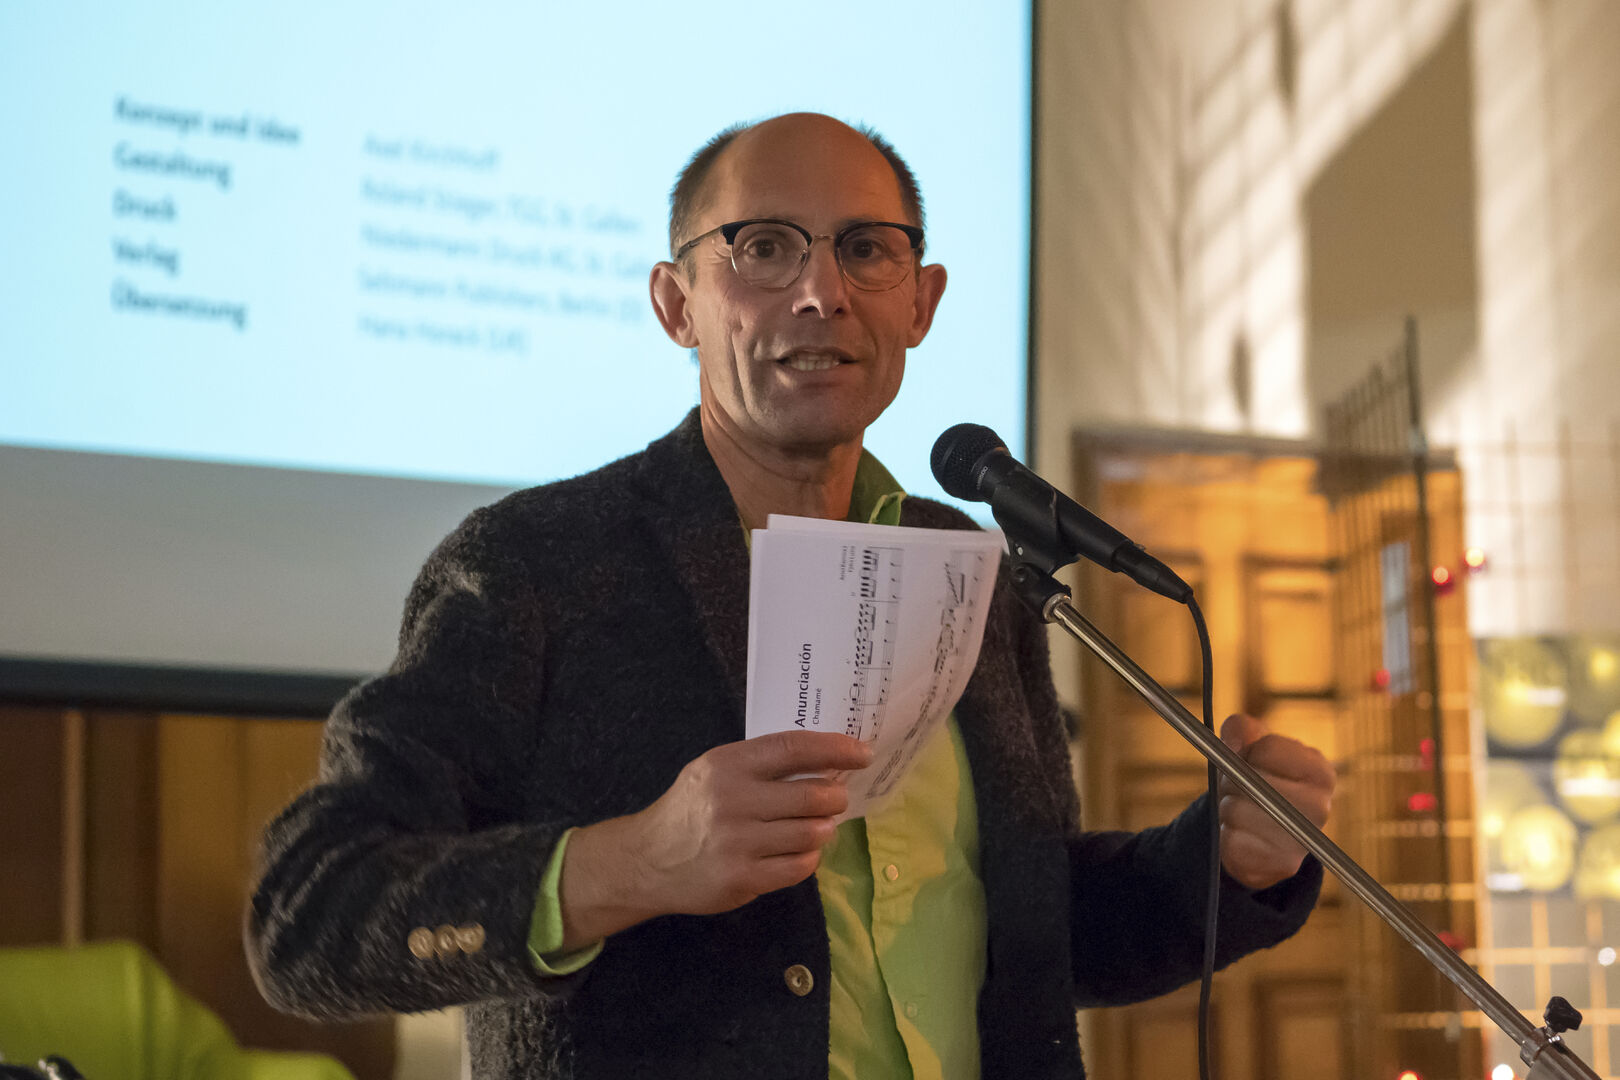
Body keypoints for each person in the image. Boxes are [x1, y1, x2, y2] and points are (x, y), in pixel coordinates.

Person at [247, 113, 1335, 1080]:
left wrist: (1220, 864)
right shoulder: (531, 564)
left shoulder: (972, 570)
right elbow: (308, 914)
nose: (822, 292)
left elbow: (1032, 935)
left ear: (921, 301)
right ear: (676, 303)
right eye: (763, 247)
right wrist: (636, 862)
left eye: (866, 248)